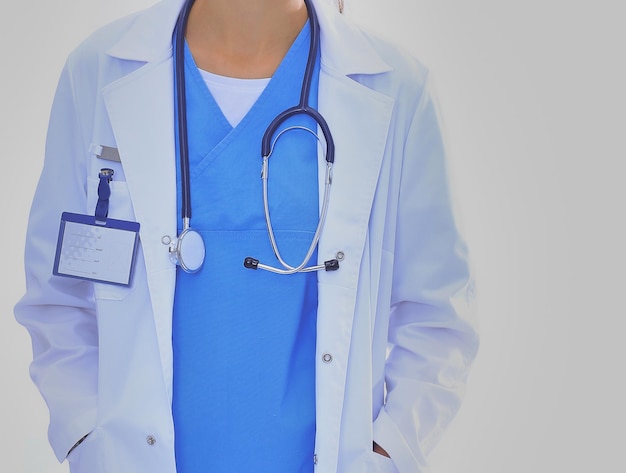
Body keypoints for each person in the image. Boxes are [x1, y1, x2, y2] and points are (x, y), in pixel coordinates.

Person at [14, 0, 479, 472]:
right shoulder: (97, 72)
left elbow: (439, 316)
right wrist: (88, 436)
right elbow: (58, 300)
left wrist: (389, 450)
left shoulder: (397, 87)